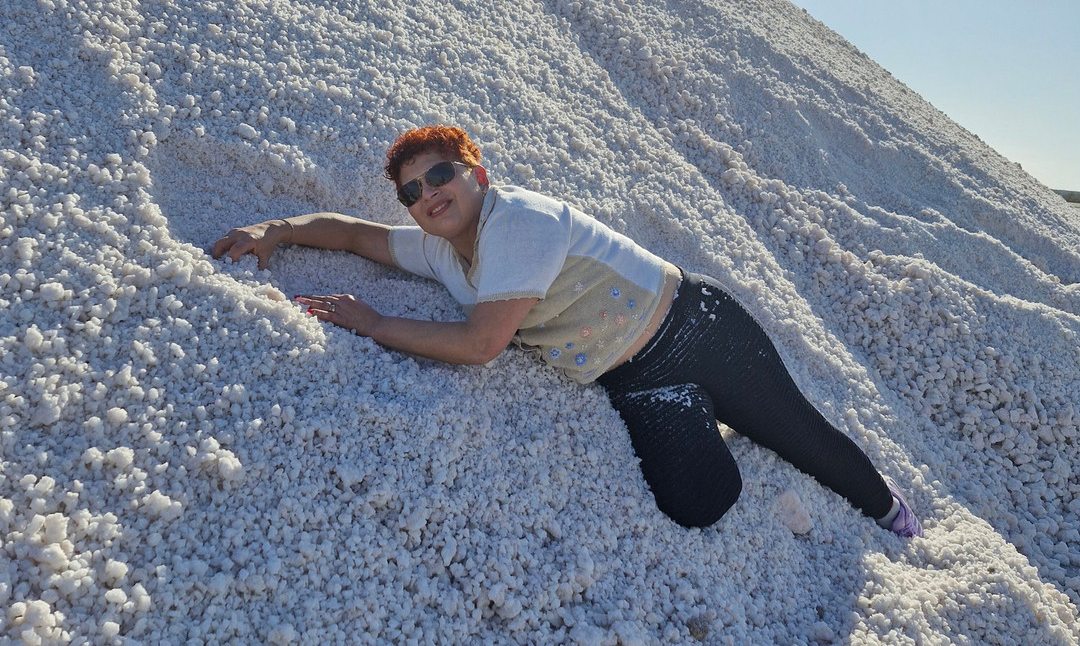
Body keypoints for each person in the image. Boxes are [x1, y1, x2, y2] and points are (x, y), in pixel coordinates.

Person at [213, 125, 923, 536]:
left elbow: (483, 345)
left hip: (698, 329)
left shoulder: (518, 220)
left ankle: (892, 512)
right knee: (700, 504)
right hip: (638, 380)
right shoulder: (438, 249)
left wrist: (372, 323)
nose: (427, 195)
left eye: (440, 175)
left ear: (477, 174)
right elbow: (353, 234)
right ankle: (714, 419)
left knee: (799, 435)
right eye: (411, 191)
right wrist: (277, 230)